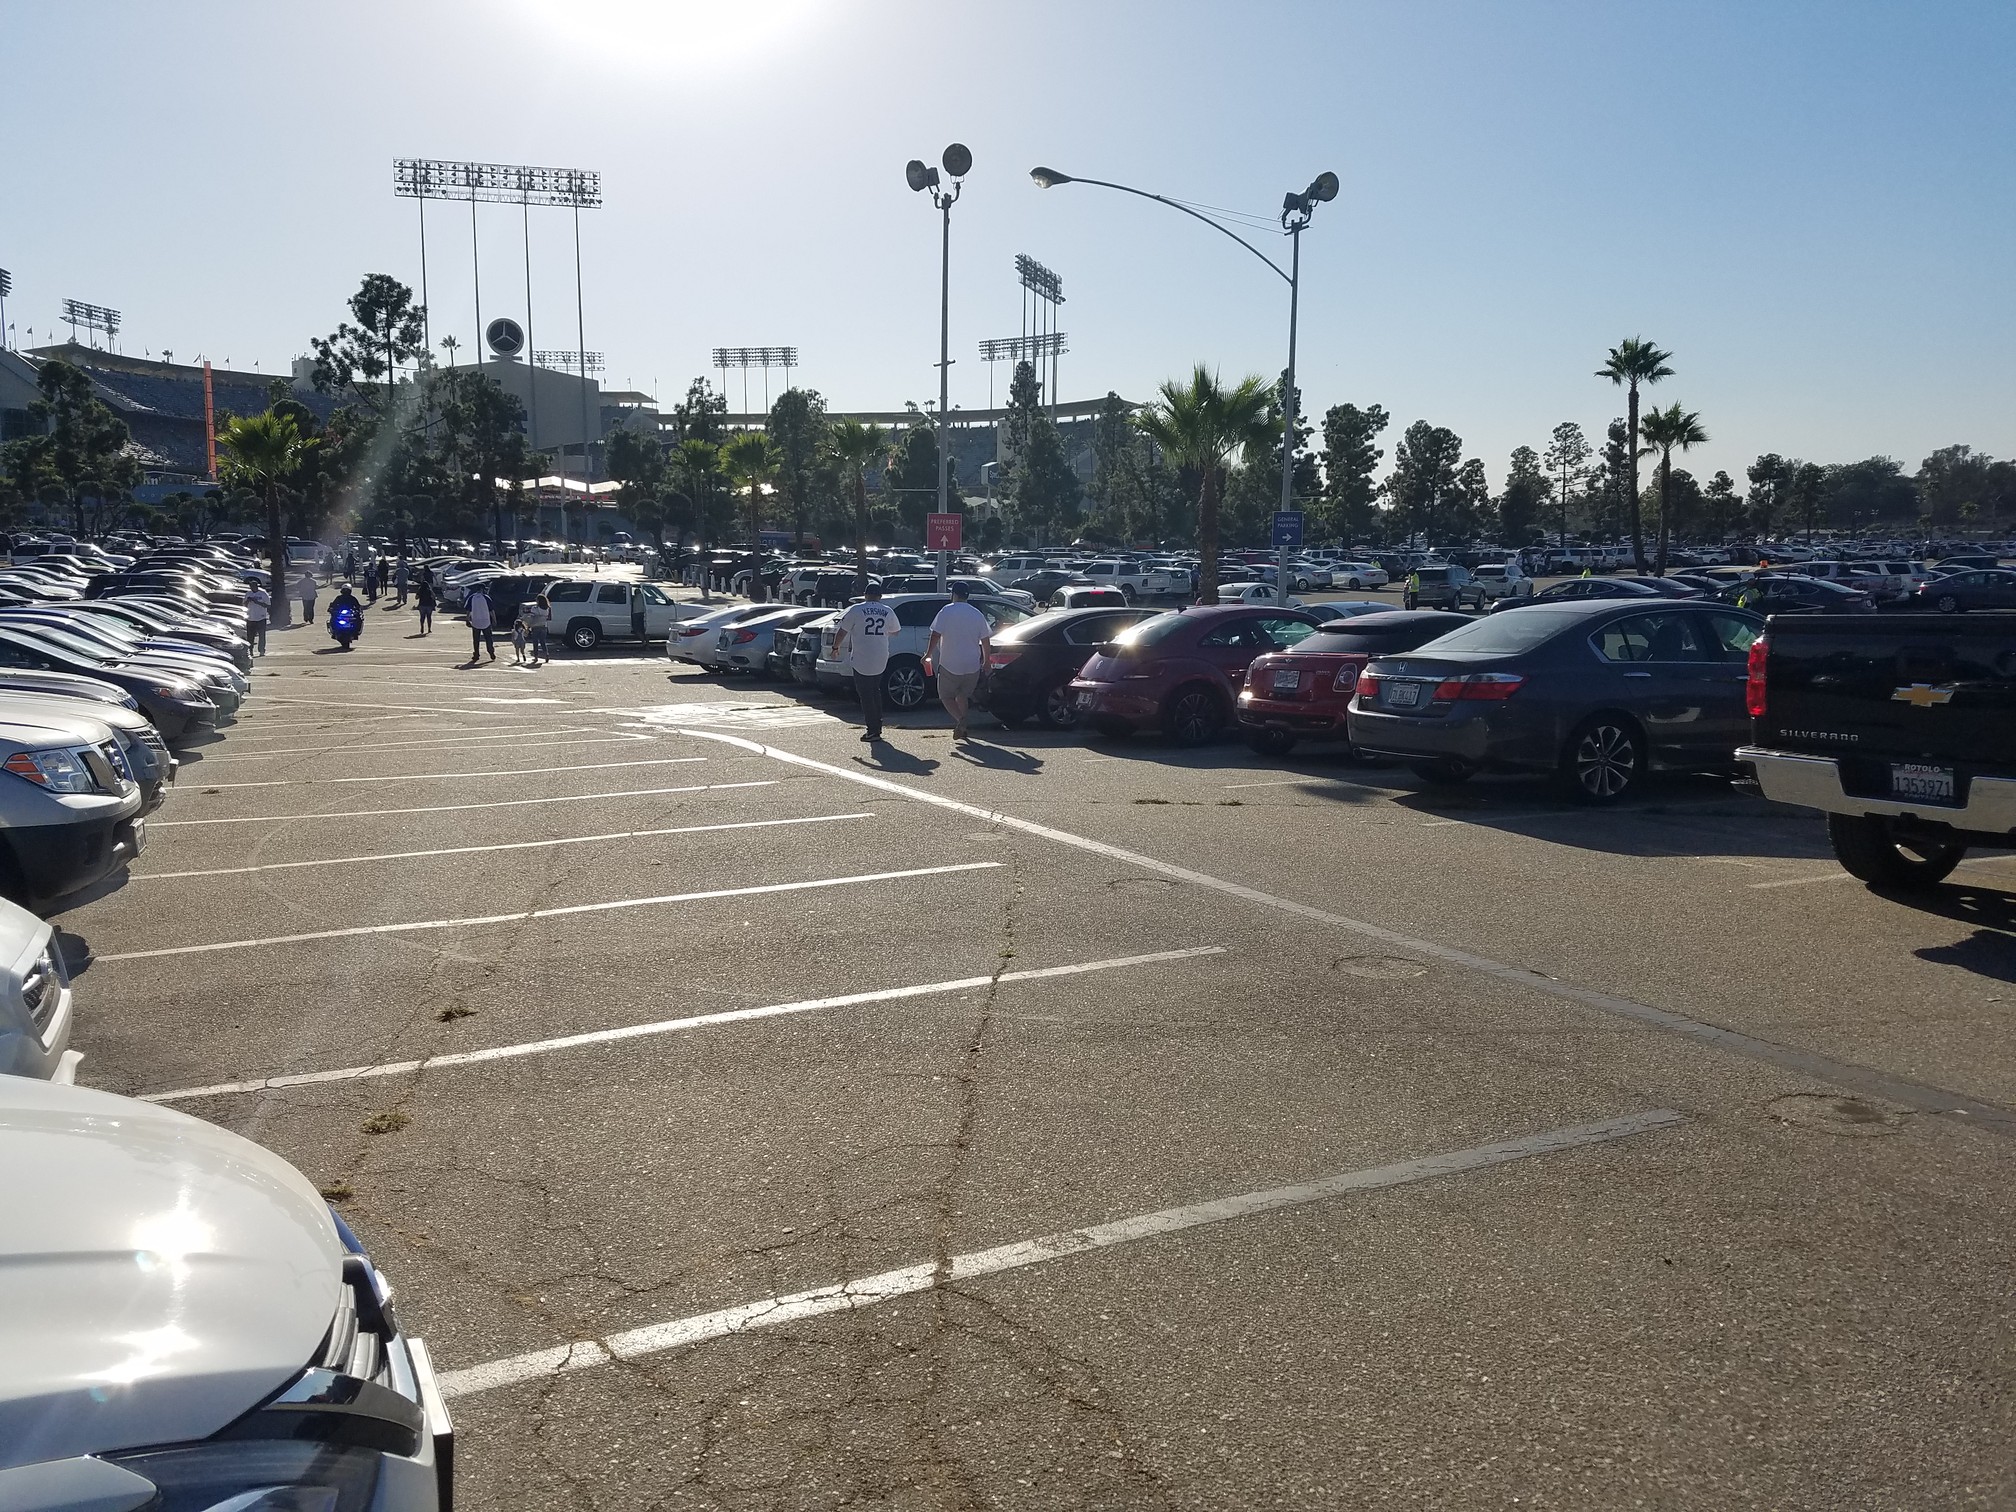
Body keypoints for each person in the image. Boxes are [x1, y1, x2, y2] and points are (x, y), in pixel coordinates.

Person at [925, 583, 992, 741]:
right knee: (962, 695)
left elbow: (935, 635)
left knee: (946, 696)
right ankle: (963, 728)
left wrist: (928, 654)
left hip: (950, 663)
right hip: (972, 665)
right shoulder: (976, 614)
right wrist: (986, 661)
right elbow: (985, 640)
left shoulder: (946, 611)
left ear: (954, 594)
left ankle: (961, 720)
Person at [832, 582, 897, 742]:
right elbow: (895, 631)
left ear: (865, 595)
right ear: (880, 596)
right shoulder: (887, 610)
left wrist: (835, 647)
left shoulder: (856, 609)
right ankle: (877, 725)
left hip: (861, 656)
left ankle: (872, 730)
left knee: (866, 694)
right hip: (880, 655)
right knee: (875, 691)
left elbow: (842, 630)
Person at [465, 583, 496, 662]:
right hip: (486, 621)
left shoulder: (472, 598)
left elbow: (468, 610)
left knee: (476, 639)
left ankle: (476, 654)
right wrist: (494, 620)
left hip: (475, 621)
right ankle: (491, 652)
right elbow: (491, 610)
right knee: (488, 638)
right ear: (482, 589)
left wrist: (467, 619)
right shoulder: (486, 598)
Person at [244, 577, 272, 657]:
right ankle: (250, 651)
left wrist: (257, 602)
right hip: (250, 618)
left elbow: (268, 605)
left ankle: (262, 650)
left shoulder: (263, 593)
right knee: (250, 636)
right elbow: (244, 604)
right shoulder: (248, 593)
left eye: (254, 586)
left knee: (261, 635)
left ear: (257, 586)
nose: (252, 588)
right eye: (251, 587)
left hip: (261, 618)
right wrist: (248, 601)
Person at [524, 592, 551, 663]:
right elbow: (549, 618)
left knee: (535, 642)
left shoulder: (534, 608)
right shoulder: (548, 608)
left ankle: (536, 657)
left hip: (535, 626)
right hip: (544, 626)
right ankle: (546, 654)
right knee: (543, 642)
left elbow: (532, 617)